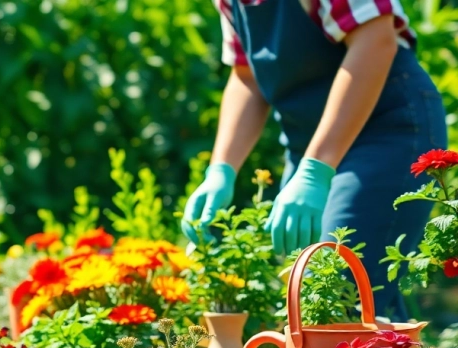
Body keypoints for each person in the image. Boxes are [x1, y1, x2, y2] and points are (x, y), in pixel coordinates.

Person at [181, 0, 448, 319]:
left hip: (386, 130)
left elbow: (375, 38)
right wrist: (221, 170)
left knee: (335, 294)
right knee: (316, 297)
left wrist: (314, 171)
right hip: (310, 145)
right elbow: (246, 75)